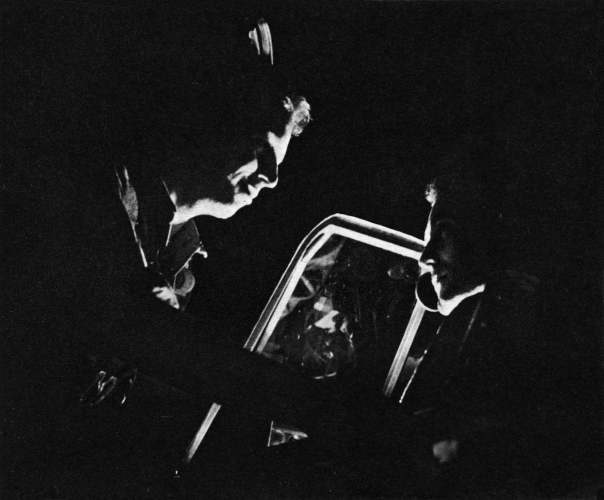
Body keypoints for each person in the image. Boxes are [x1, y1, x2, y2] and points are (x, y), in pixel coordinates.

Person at [1, 15, 319, 500]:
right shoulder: (98, 186)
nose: (271, 178)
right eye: (261, 148)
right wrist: (328, 413)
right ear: (210, 122)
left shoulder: (178, 259)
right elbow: (138, 329)